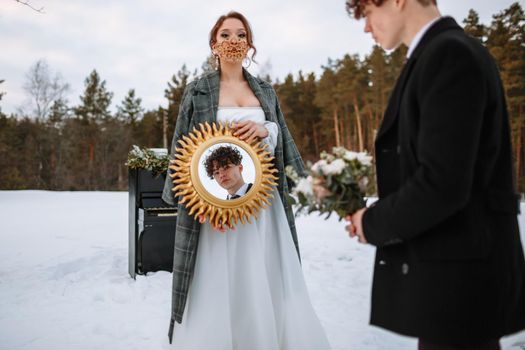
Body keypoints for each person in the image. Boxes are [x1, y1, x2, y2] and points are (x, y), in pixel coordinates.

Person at [345, 0, 525, 349]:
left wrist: (372, 222)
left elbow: (442, 183)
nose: (366, 27)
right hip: (453, 279)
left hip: (462, 281)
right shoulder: (437, 53)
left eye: (367, 13)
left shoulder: (449, 55)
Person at [162, 11, 331, 350]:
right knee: (219, 281)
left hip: (262, 206)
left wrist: (264, 128)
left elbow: (281, 137)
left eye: (241, 34)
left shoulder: (265, 91)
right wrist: (199, 202)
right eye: (225, 35)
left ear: (250, 44)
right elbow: (181, 148)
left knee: (264, 276)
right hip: (214, 209)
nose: (233, 40)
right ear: (214, 44)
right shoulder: (197, 91)